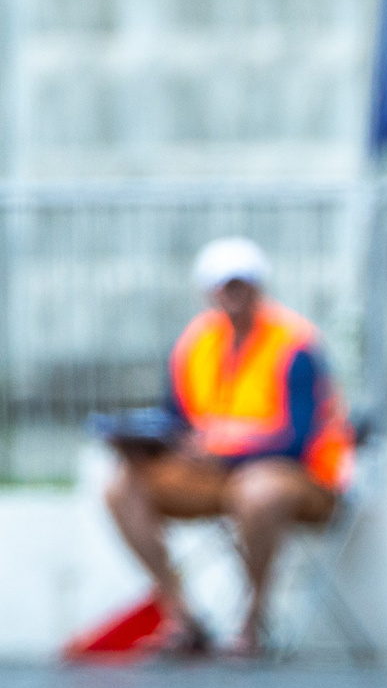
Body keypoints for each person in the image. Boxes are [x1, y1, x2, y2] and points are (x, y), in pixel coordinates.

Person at [102, 237, 355, 658]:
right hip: (220, 477)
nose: (235, 296)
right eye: (226, 286)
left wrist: (223, 455)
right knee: (123, 486)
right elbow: (178, 420)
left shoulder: (294, 345)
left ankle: (253, 622)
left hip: (300, 479)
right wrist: (148, 445)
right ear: (210, 291)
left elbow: (299, 440)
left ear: (259, 288)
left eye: (243, 285)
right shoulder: (196, 344)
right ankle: (182, 617)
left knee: (257, 491)